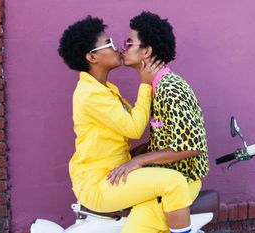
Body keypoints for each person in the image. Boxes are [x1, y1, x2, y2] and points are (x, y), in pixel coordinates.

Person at [57, 15, 194, 232]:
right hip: (99, 184)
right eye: (109, 44)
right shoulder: (90, 95)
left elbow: (131, 124)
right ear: (92, 57)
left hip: (113, 174)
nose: (118, 49)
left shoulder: (107, 89)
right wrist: (145, 84)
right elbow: (134, 128)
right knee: (174, 182)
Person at [108, 11, 209, 233]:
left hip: (178, 184)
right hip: (161, 181)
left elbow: (191, 147)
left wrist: (138, 161)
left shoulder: (169, 88)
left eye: (129, 42)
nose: (123, 48)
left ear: (146, 51)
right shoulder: (155, 86)